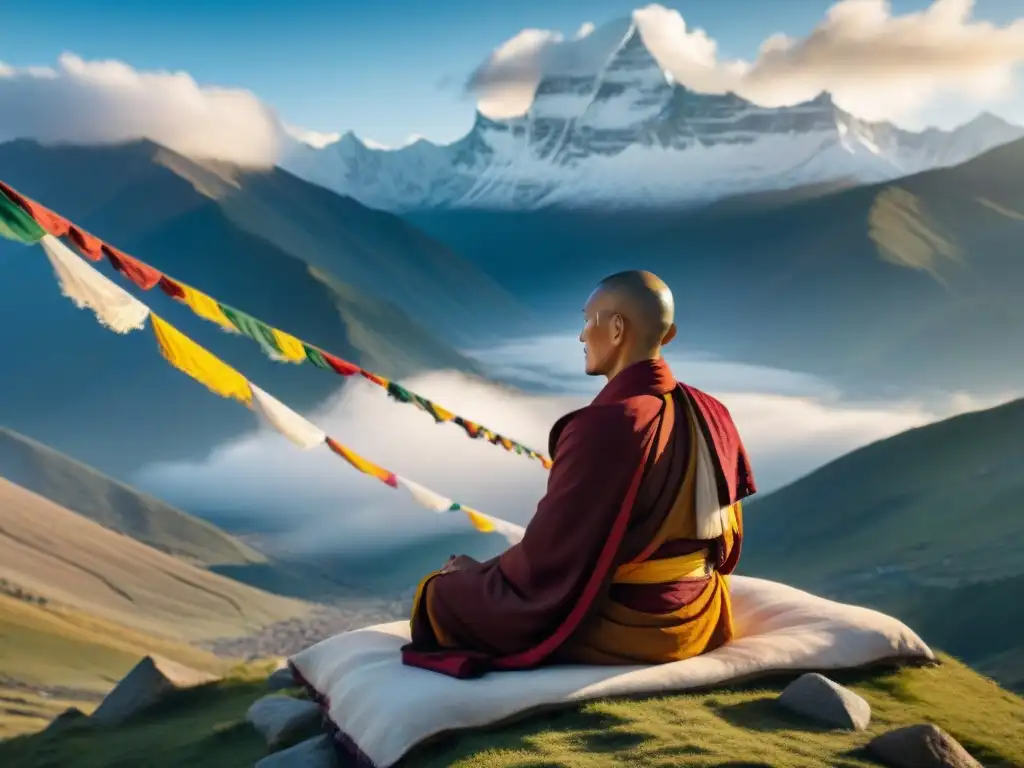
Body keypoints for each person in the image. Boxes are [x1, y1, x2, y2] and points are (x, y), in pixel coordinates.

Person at [402, 270, 756, 679]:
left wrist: (478, 574)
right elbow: (726, 543)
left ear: (618, 328)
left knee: (439, 595)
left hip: (636, 626)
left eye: (588, 320)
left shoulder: (609, 424)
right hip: (703, 614)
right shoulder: (713, 412)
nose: (582, 336)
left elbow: (550, 561)